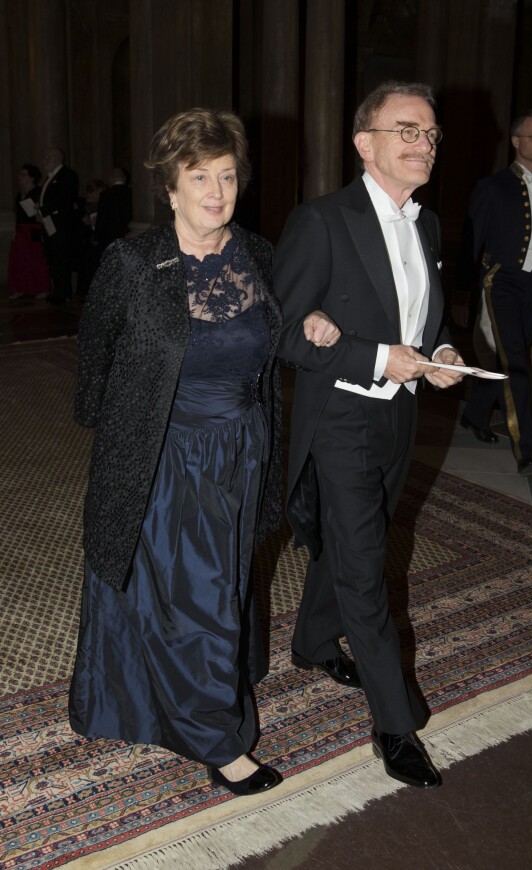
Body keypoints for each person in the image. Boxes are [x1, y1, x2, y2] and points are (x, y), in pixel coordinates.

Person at [69, 107, 331, 797]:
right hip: (164, 455)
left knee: (212, 585)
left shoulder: (260, 254)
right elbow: (93, 358)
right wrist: (124, 438)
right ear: (170, 187)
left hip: (243, 452)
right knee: (199, 595)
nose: (216, 192)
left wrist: (315, 322)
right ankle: (218, 739)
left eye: (227, 176)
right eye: (199, 177)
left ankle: (150, 697)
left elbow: (283, 338)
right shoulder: (131, 263)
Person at [274, 81, 465, 790]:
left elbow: (426, 321)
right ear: (365, 143)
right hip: (343, 416)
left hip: (400, 416)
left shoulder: (429, 225)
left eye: (432, 134)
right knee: (363, 566)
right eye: (408, 130)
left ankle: (312, 641)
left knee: (363, 533)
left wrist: (441, 353)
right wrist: (375, 356)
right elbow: (285, 332)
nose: (425, 144)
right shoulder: (321, 220)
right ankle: (395, 724)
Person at [459, 109, 532, 474]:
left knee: (510, 357)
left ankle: (475, 415)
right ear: (516, 141)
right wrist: (463, 294)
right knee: (517, 365)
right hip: (502, 282)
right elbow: (471, 244)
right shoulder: (492, 187)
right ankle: (526, 450)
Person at [37, 146, 79, 304]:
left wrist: (43, 210)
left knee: (61, 257)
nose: (44, 161)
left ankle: (63, 293)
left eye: (47, 158)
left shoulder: (67, 175)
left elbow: (64, 199)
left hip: (61, 225)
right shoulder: (49, 177)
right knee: (52, 257)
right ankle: (58, 291)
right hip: (49, 223)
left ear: (57, 159)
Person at [7, 163, 50, 299]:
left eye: (24, 175)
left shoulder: (38, 192)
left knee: (36, 258)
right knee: (19, 260)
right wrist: (15, 230)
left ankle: (42, 289)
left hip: (34, 229)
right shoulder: (19, 194)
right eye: (21, 175)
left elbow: (42, 212)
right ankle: (19, 288)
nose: (20, 177)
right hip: (21, 230)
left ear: (32, 178)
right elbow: (17, 214)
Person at [94, 167, 132, 250]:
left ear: (110, 179)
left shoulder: (106, 195)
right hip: (129, 233)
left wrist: (96, 237)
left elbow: (102, 218)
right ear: (124, 178)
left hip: (109, 235)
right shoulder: (131, 193)